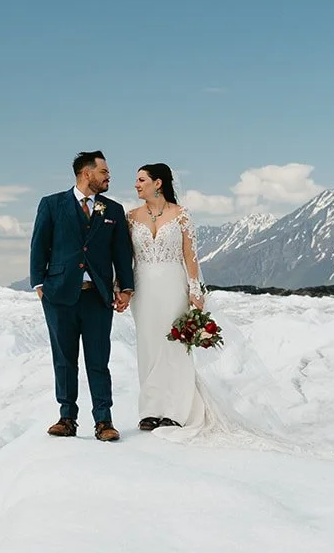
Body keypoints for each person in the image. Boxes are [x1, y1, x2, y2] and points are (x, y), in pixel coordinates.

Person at [28, 151, 136, 443]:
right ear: (86, 173)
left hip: (98, 297)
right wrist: (39, 285)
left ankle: (104, 421)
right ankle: (67, 419)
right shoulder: (51, 204)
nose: (109, 176)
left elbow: (121, 252)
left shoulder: (113, 210)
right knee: (64, 360)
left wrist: (126, 288)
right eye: (104, 172)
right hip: (58, 296)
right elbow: (39, 245)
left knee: (98, 360)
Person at [126, 163, 209, 432]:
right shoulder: (131, 217)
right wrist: (121, 286)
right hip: (143, 287)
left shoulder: (181, 215)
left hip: (174, 284)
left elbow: (190, 254)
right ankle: (151, 410)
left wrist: (195, 289)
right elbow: (125, 258)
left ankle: (175, 410)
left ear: (158, 183)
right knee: (148, 345)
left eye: (141, 180)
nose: (136, 185)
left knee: (174, 344)